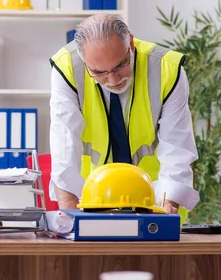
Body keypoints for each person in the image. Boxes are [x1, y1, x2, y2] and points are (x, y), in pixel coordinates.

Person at [49, 13, 199, 221]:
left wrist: (167, 207)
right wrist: (70, 219)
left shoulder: (167, 70)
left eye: (120, 65)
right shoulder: (67, 68)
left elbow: (177, 149)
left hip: (154, 198)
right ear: (84, 61)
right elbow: (64, 149)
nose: (113, 79)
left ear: (130, 42)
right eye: (99, 72)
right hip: (91, 198)